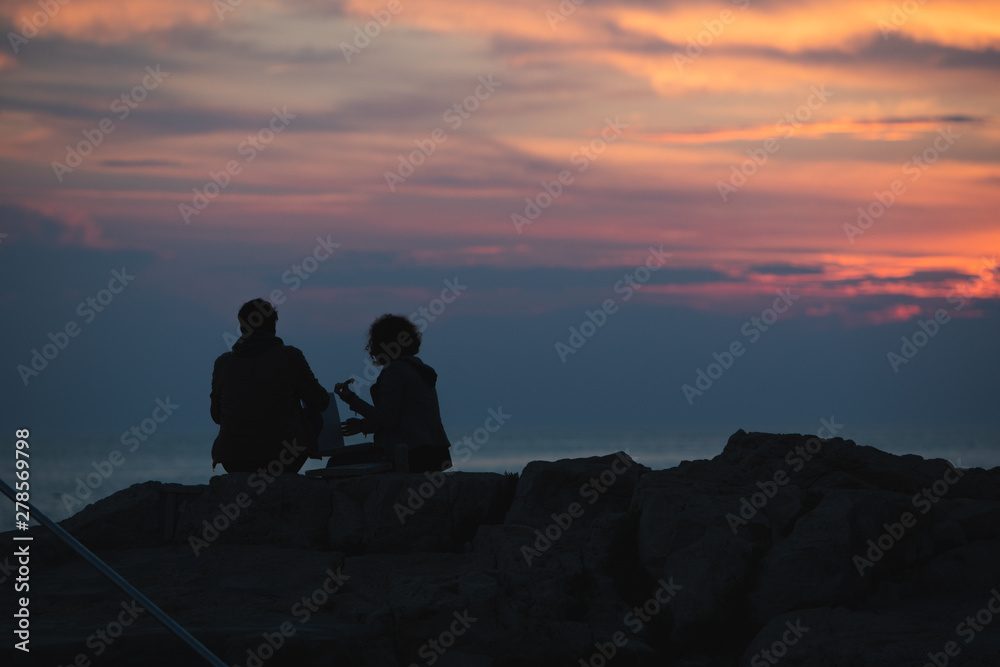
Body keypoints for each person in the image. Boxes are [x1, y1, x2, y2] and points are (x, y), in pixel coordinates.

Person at [210, 298, 329, 473]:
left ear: (242, 328)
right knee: (313, 413)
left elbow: (216, 416)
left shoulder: (222, 363)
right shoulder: (290, 356)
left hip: (233, 459)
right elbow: (321, 402)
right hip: (283, 459)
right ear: (273, 326)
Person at [333, 314, 452, 473]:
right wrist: (362, 426)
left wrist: (351, 399)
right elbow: (401, 418)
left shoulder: (395, 371)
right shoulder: (417, 369)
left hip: (410, 454)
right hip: (435, 453)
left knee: (335, 464)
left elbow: (388, 420)